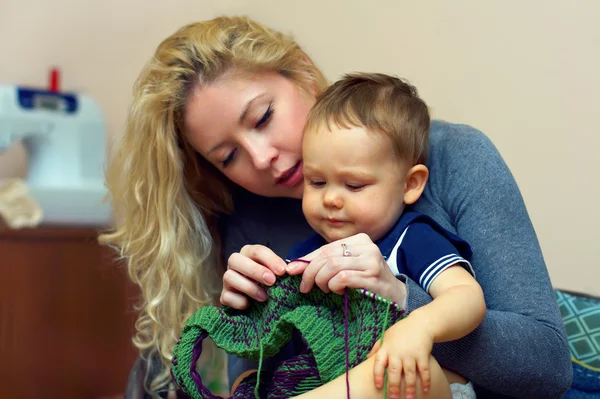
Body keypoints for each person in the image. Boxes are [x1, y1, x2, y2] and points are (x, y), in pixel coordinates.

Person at [99, 15, 572, 399]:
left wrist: (398, 297)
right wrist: (242, 316)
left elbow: (548, 368)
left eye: (263, 117)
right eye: (229, 157)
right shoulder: (246, 215)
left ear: (302, 73)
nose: (262, 159)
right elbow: (257, 378)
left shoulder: (452, 158)